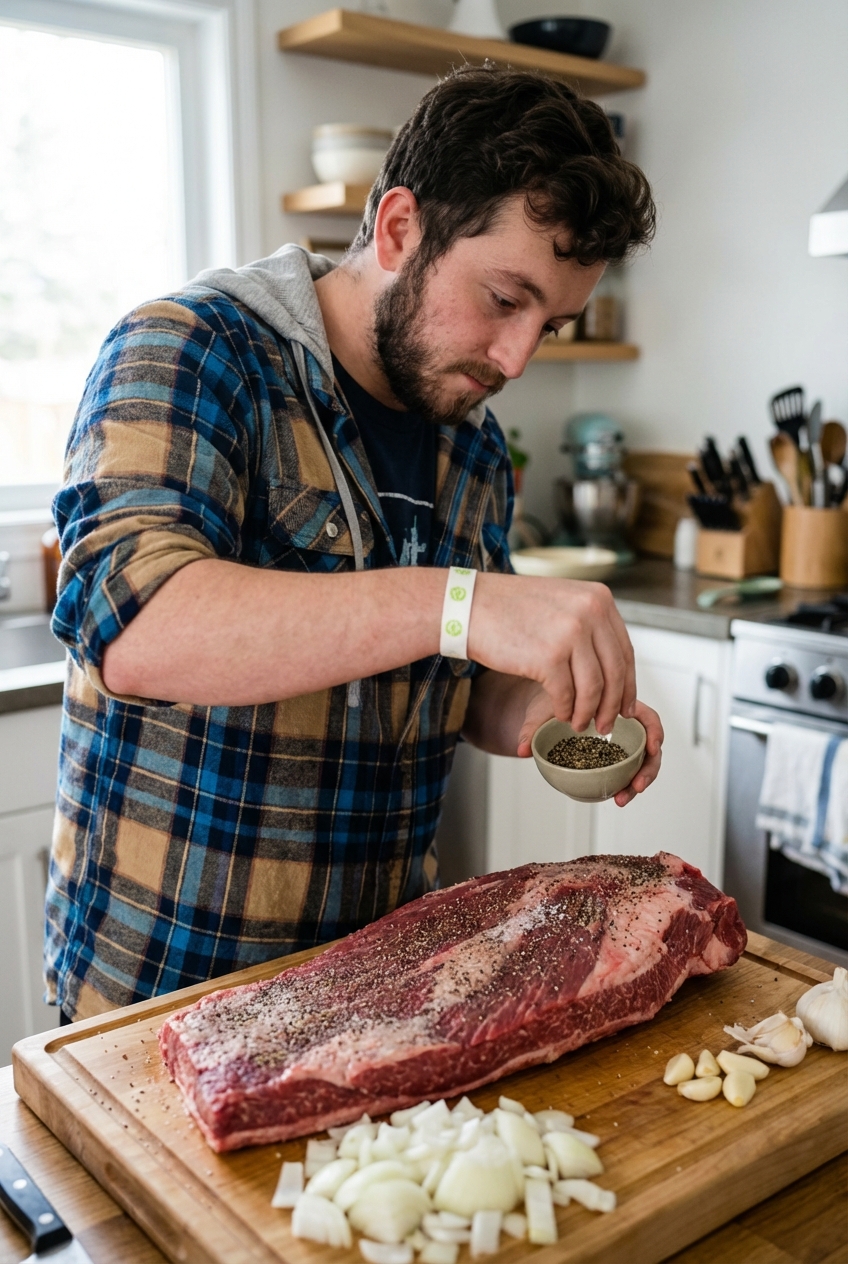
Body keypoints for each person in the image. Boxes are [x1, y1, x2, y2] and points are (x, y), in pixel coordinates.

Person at [46, 65, 662, 1023]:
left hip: (381, 987)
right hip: (166, 988)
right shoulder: (192, 349)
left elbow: (452, 682)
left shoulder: (475, 444)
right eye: (505, 298)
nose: (516, 359)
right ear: (400, 227)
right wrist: (463, 601)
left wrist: (544, 710)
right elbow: (138, 629)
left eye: (554, 323)